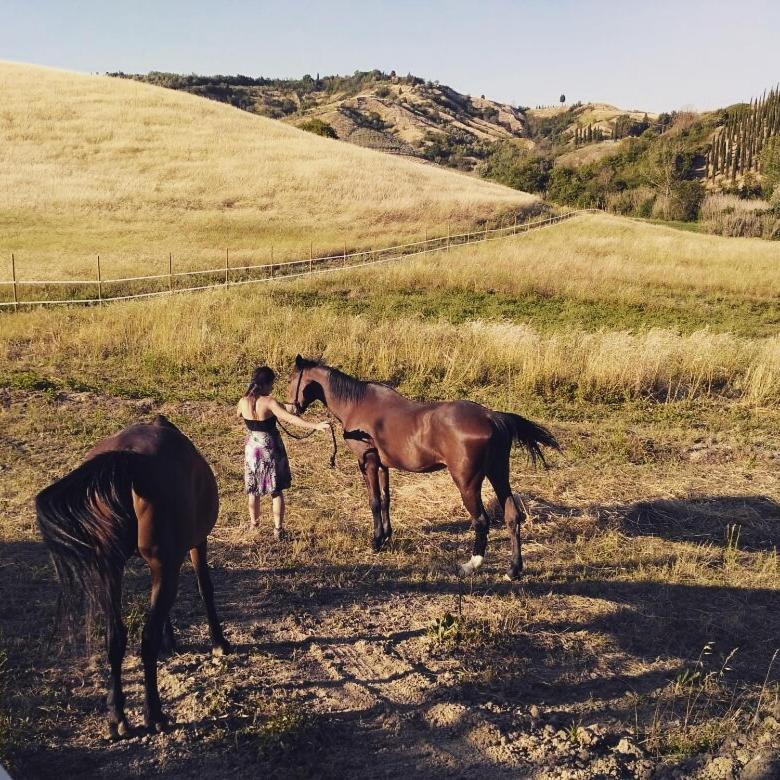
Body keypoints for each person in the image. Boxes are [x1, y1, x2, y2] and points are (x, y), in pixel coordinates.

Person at [237, 366, 330, 538]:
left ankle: (253, 525)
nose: (272, 388)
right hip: (270, 448)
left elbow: (238, 414)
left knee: (253, 490)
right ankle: (278, 529)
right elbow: (290, 419)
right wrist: (315, 426)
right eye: (271, 384)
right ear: (265, 384)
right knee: (276, 490)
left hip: (252, 449)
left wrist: (280, 408)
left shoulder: (243, 401)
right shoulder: (269, 401)